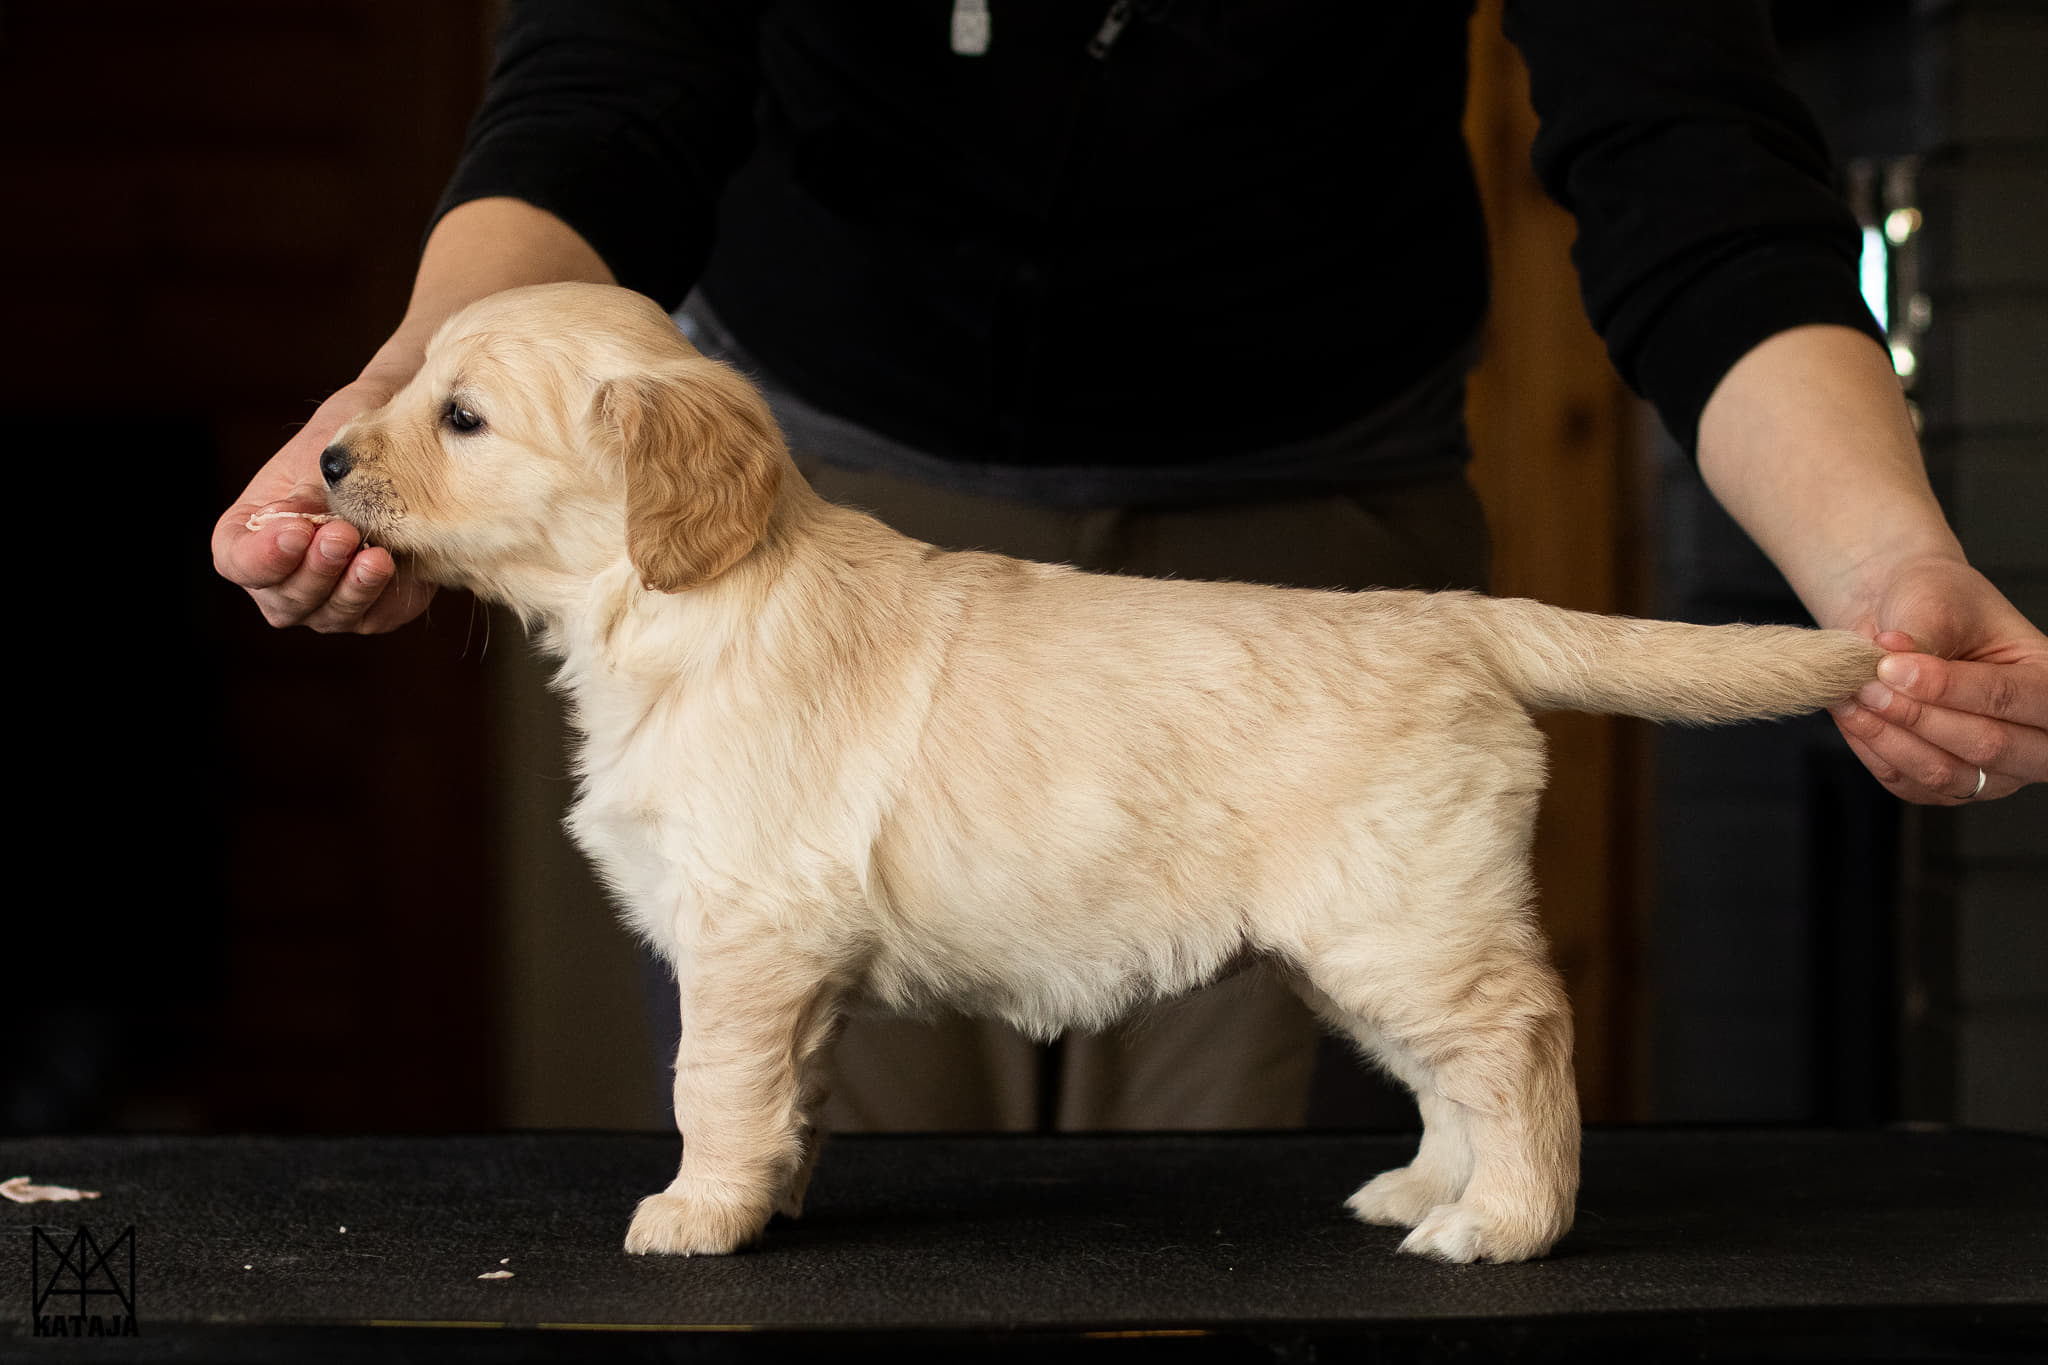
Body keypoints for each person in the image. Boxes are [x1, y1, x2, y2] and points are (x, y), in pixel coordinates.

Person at [212, 1, 2046, 1132]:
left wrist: (1882, 553)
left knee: (1252, 1223)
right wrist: (411, 402)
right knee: (849, 1207)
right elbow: (610, 79)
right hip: (808, 526)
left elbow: (1689, 150)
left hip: (1307, 563)